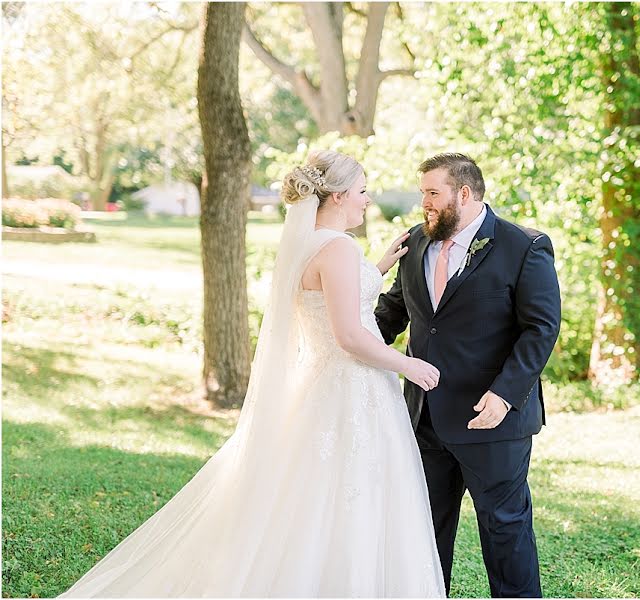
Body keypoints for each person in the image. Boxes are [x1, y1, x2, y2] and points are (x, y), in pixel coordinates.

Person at [60, 150, 445, 597]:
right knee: (348, 496)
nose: (367, 199)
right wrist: (409, 365)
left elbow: (327, 296)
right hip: (352, 386)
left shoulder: (310, 244)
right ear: (338, 196)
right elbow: (351, 337)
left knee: (312, 499)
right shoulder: (338, 248)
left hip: (325, 386)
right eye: (361, 191)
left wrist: (374, 268)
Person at [375, 153, 562, 598]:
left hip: (492, 419)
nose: (425, 203)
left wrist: (504, 394)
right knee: (424, 533)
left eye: (432, 193)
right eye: (422, 193)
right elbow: (395, 312)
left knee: (505, 531)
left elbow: (541, 328)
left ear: (464, 193)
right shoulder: (415, 243)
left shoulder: (524, 246)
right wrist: (344, 343)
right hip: (424, 419)